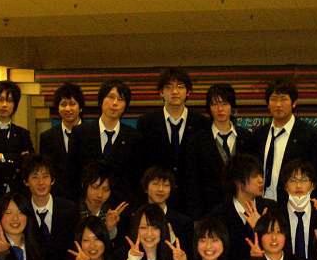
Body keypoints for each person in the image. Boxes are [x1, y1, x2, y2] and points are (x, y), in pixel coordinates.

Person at [138, 68, 209, 210]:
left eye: (180, 87)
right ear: (161, 92)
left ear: (188, 92)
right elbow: (141, 164)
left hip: (192, 201)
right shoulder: (147, 122)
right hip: (157, 200)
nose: (175, 92)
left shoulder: (202, 123)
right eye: (169, 87)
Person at [249, 79, 317, 204]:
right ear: (268, 104)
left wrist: (313, 204)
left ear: (294, 103)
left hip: (294, 204)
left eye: (284, 99)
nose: (278, 104)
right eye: (274, 99)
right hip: (260, 202)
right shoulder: (258, 135)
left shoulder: (311, 135)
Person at [71, 79, 144, 208]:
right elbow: (72, 172)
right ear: (101, 100)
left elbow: (135, 178)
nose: (115, 103)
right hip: (85, 207)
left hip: (121, 208)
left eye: (120, 99)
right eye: (111, 97)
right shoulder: (81, 133)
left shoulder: (134, 137)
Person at [185, 83, 251, 219]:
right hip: (209, 211)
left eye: (225, 104)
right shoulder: (197, 140)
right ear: (209, 108)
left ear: (232, 106)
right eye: (215, 104)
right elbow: (192, 181)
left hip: (243, 209)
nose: (220, 109)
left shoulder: (246, 138)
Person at [208, 153, 276, 260]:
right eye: (254, 176)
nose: (261, 180)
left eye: (261, 175)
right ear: (238, 181)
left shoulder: (271, 208)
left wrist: (260, 227)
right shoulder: (219, 215)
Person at [23, 155, 78, 260]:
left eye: (45, 176)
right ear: (26, 182)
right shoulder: (22, 212)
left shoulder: (69, 209)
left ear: (52, 180)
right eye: (35, 177)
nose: (41, 182)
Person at [39, 82, 84, 200]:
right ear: (57, 108)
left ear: (80, 107)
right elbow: (46, 170)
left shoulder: (91, 133)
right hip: (58, 198)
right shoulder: (47, 137)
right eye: (63, 104)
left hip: (86, 198)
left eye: (72, 104)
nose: (68, 108)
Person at [141, 166, 194, 254]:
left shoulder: (183, 222)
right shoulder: (135, 217)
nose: (160, 189)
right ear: (146, 188)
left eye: (166, 185)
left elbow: (188, 255)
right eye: (155, 184)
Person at [78, 162, 129, 247]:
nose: (100, 195)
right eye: (95, 187)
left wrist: (110, 229)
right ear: (84, 185)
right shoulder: (71, 211)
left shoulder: (114, 213)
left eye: (106, 189)